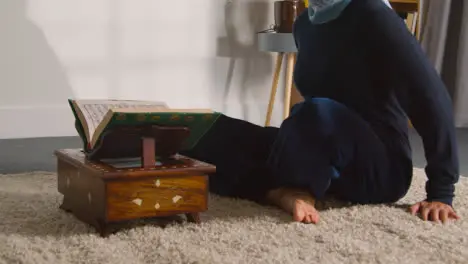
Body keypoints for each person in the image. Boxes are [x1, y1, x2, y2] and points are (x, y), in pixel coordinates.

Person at [182, 0, 461, 224]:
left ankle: (294, 187)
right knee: (212, 131)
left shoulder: (372, 13)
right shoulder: (305, 23)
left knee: (314, 113)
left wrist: (441, 191)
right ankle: (275, 190)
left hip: (380, 167)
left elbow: (430, 96)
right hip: (325, 151)